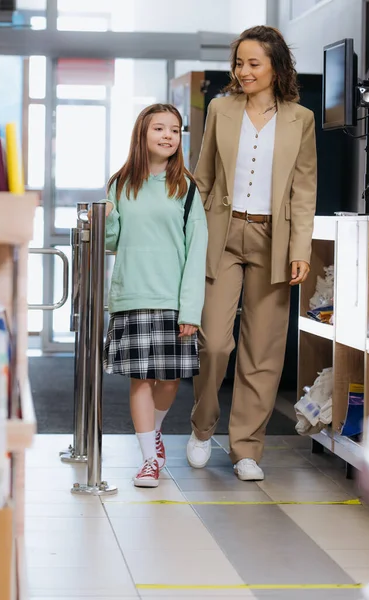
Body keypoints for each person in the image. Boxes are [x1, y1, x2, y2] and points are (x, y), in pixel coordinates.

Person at [186, 25, 317, 481]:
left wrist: (301, 248)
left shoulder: (301, 118)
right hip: (221, 233)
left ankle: (247, 448)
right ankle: (202, 427)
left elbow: (304, 190)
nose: (243, 71)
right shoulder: (221, 109)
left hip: (273, 240)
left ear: (276, 66)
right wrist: (183, 234)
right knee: (216, 343)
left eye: (253, 63)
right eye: (239, 63)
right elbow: (201, 179)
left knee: (263, 349)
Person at [102, 103, 208, 488]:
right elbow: (112, 241)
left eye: (175, 130)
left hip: (173, 298)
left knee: (169, 378)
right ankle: (149, 459)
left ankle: (155, 432)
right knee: (140, 379)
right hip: (131, 294)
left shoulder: (187, 187)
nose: (167, 135)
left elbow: (197, 250)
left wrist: (191, 308)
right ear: (142, 135)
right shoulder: (120, 183)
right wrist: (110, 215)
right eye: (159, 128)